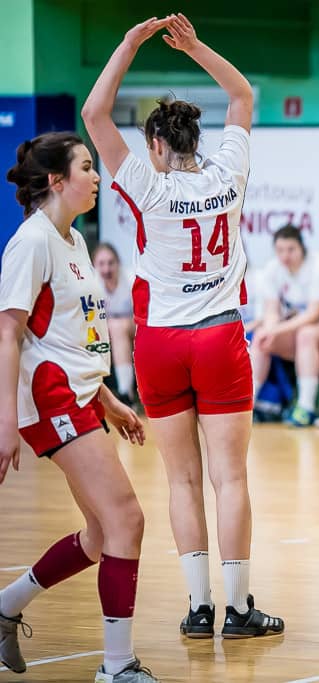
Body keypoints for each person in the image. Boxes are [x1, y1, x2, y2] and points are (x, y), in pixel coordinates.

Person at [81, 14, 283, 639]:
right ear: (195, 140)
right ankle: (240, 609)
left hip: (160, 343)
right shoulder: (228, 173)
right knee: (230, 478)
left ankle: (198, 608)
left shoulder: (147, 184)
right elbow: (242, 94)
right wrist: (194, 47)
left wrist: (128, 44)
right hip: (219, 337)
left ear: (155, 146)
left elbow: (94, 113)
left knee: (182, 479)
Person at [0, 131, 154, 681]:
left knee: (100, 534)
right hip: (51, 396)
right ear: (56, 180)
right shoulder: (32, 242)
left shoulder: (76, 242)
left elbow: (74, 338)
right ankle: (116, 667)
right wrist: (6, 423)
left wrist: (108, 398)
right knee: (127, 519)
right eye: (86, 167)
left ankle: (5, 607)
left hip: (82, 395)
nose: (96, 177)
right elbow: (9, 334)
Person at [250, 225, 319, 427]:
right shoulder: (272, 268)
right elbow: (271, 310)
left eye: (291, 249)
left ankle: (306, 407)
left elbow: (314, 314)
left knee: (305, 334)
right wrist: (269, 330)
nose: (285, 255)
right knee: (262, 338)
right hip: (292, 328)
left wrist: (275, 329)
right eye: (280, 250)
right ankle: (248, 403)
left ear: (301, 247)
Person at [92, 242, 136, 402]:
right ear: (94, 266)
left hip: (134, 327)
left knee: (117, 327)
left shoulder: (131, 279)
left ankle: (126, 394)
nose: (106, 269)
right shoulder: (91, 284)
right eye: (101, 264)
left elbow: (145, 313)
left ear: (118, 263)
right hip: (104, 331)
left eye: (111, 263)